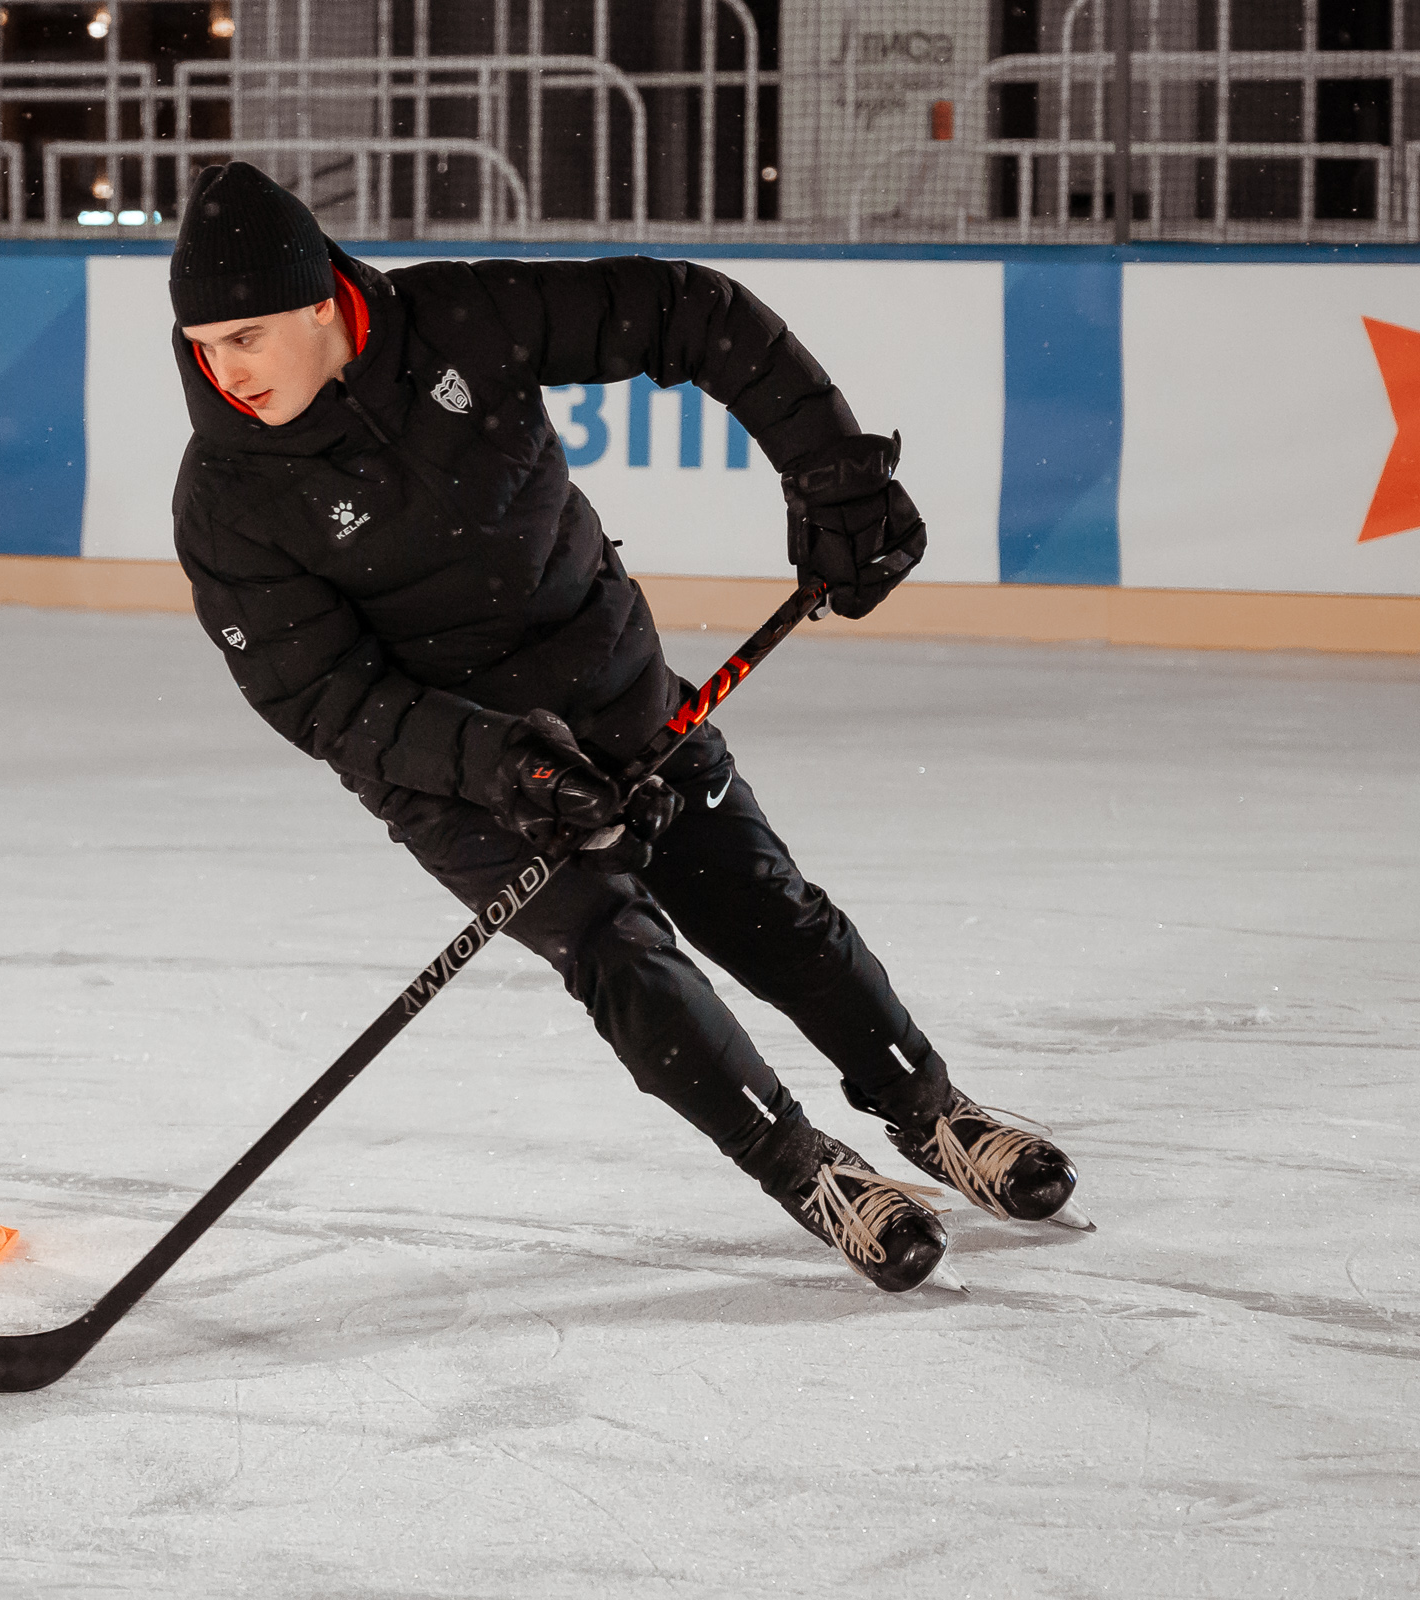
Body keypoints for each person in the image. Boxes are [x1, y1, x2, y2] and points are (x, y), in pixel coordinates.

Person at [166, 162, 1082, 1294]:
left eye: (247, 336)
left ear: (321, 303)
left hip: (611, 686)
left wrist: (831, 473)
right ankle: (807, 1169)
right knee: (620, 950)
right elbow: (323, 699)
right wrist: (507, 765)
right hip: (456, 769)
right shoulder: (226, 497)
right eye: (202, 345)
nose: (225, 371)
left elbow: (689, 312)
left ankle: (929, 1109)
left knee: (762, 902)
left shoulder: (463, 320)